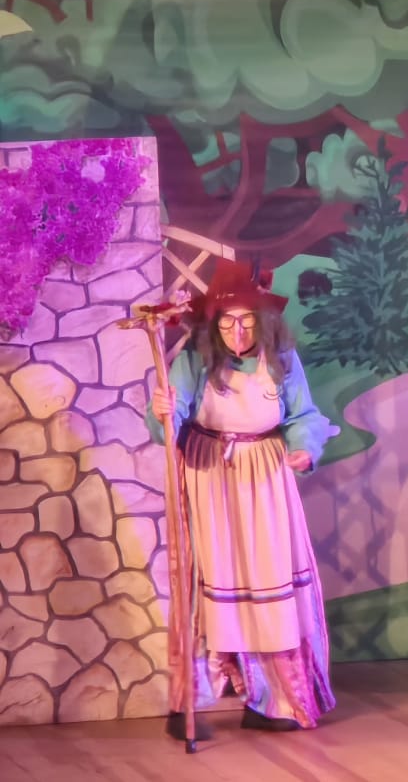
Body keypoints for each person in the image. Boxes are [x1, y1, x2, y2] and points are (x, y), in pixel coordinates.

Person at [146, 259, 337, 737]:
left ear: (263, 322)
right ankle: (192, 704)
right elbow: (172, 418)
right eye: (227, 321)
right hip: (210, 476)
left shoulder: (281, 360)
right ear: (214, 324)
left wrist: (303, 448)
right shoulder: (195, 360)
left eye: (247, 321)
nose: (237, 331)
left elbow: (304, 416)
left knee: (267, 580)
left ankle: (275, 699)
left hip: (264, 477)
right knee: (211, 581)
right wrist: (163, 411)